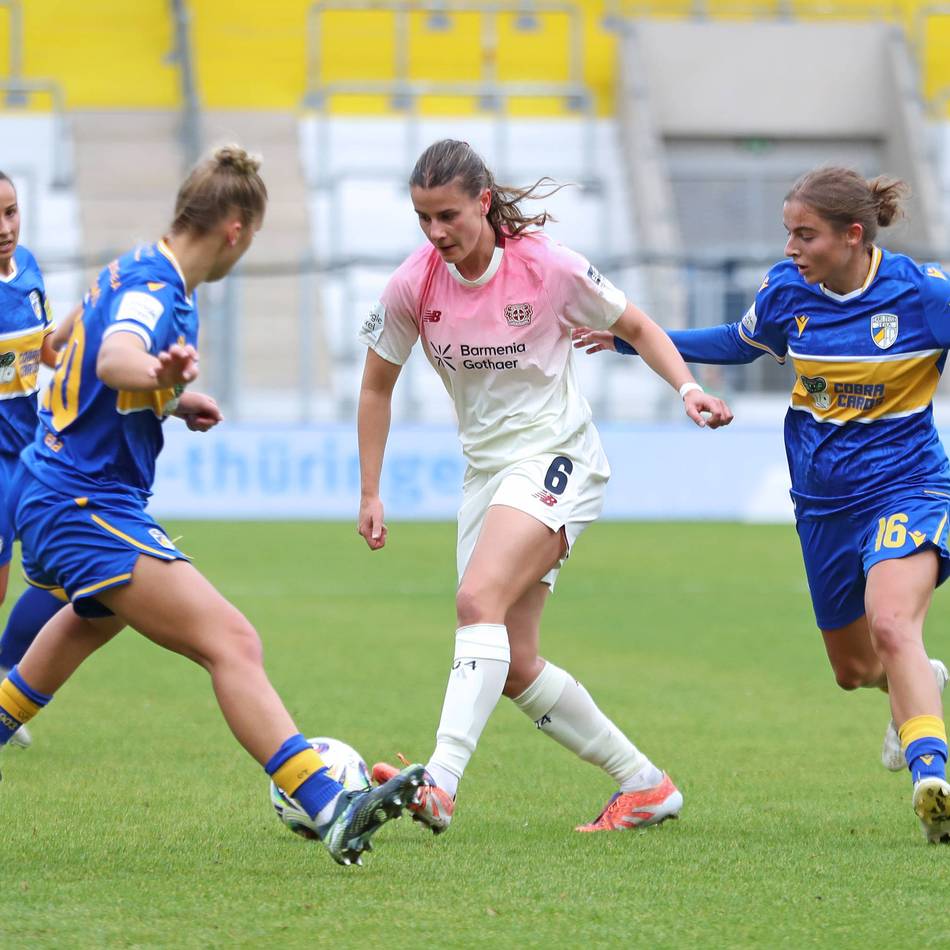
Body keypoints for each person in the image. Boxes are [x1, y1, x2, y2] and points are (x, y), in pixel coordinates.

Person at [0, 145, 424, 866]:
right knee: (231, 641)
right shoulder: (155, 290)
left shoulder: (135, 267)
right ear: (235, 229)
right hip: (79, 501)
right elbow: (111, 356)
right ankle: (331, 804)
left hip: (62, 487)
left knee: (91, 619)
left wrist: (168, 398)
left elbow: (65, 341)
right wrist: (150, 370)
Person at [357, 138, 732, 834]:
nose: (436, 233)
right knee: (514, 661)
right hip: (488, 473)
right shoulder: (413, 283)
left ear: (484, 203)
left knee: (477, 600)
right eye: (423, 219)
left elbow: (637, 325)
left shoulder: (548, 268)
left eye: (448, 216)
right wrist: (371, 490)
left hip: (558, 456)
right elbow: (376, 386)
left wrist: (688, 387)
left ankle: (439, 783)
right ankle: (645, 785)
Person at [574, 166, 950, 843]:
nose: (790, 249)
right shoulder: (787, 295)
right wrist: (638, 340)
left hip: (909, 487)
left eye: (805, 236)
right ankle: (917, 681)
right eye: (788, 233)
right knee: (855, 669)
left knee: (892, 622)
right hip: (822, 504)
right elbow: (738, 345)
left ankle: (933, 780)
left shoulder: (923, 297)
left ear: (853, 236)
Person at [0, 171, 77, 749]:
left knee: (63, 574)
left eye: (12, 212)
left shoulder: (26, 266)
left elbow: (46, 352)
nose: (6, 229)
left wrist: (81, 320)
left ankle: (5, 678)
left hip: (34, 452)